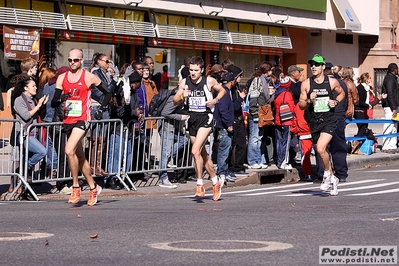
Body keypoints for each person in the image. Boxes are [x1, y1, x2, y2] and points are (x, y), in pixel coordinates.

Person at [51, 48, 112, 206]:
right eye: (70, 60)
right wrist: (61, 98)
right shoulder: (62, 78)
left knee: (68, 150)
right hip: (68, 119)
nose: (72, 63)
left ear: (81, 60)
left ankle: (76, 186)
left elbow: (107, 93)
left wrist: (100, 109)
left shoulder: (89, 77)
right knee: (80, 157)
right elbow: (54, 102)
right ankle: (93, 187)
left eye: (76, 60)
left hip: (83, 119)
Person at [173, 56, 226, 201]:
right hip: (192, 118)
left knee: (194, 150)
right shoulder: (184, 82)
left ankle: (199, 184)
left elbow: (222, 91)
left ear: (202, 70)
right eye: (191, 70)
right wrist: (182, 96)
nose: (193, 73)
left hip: (206, 118)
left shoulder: (209, 81)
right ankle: (216, 181)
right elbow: (175, 100)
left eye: (196, 70)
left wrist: (215, 100)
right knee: (201, 154)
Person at [299, 54, 345, 196]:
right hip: (314, 121)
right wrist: (308, 101)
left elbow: (342, 93)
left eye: (316, 64)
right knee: (322, 152)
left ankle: (326, 175)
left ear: (323, 67)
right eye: (311, 64)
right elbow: (301, 105)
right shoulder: (306, 84)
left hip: (329, 119)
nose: (313, 67)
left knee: (320, 148)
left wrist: (335, 102)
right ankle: (333, 177)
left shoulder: (331, 82)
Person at [13, 77, 49, 179]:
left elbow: (38, 115)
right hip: (24, 134)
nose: (36, 88)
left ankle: (24, 187)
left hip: (33, 133)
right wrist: (39, 105)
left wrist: (42, 105)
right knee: (42, 151)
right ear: (25, 88)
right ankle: (26, 167)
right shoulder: (19, 100)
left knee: (27, 157)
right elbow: (26, 115)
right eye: (33, 86)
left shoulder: (33, 100)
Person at [88, 53, 116, 176]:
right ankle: (93, 166)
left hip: (105, 107)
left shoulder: (106, 73)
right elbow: (99, 91)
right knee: (97, 138)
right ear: (98, 61)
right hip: (97, 107)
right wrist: (114, 82)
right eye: (106, 61)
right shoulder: (95, 73)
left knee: (102, 139)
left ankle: (98, 165)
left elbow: (109, 90)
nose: (108, 63)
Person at [157, 87, 190, 188]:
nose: (190, 92)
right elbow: (165, 113)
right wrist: (180, 117)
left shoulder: (181, 98)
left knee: (184, 140)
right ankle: (163, 178)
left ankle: (165, 161)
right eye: (188, 90)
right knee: (165, 153)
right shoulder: (174, 98)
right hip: (167, 128)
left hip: (173, 128)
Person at [227, 65, 248, 177]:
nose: (241, 78)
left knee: (241, 143)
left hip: (239, 119)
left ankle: (239, 166)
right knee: (232, 144)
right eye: (239, 76)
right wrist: (241, 98)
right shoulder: (228, 89)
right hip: (232, 120)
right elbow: (232, 107)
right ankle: (230, 167)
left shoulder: (236, 87)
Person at [213, 72, 235, 182]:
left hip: (223, 125)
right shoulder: (225, 92)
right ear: (232, 81)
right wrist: (229, 124)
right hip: (223, 127)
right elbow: (223, 110)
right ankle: (221, 173)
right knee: (224, 151)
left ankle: (224, 172)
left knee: (226, 150)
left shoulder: (224, 91)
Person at [272, 70, 294, 170]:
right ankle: (284, 162)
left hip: (278, 120)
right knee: (286, 142)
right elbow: (292, 108)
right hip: (287, 120)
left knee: (279, 142)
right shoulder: (287, 94)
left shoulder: (276, 93)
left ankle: (279, 161)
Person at [381, 63, 398, 152]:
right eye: (397, 69)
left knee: (394, 126)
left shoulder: (393, 78)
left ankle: (392, 145)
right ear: (394, 69)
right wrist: (394, 108)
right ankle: (385, 145)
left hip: (394, 106)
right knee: (389, 125)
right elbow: (390, 94)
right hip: (390, 106)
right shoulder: (389, 79)